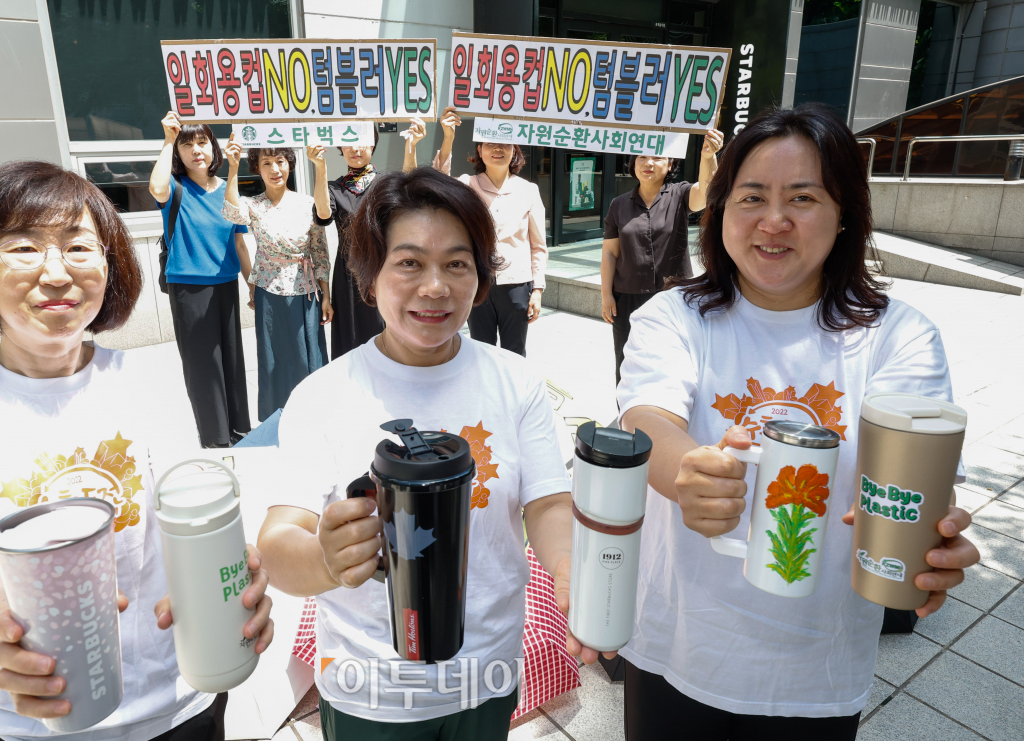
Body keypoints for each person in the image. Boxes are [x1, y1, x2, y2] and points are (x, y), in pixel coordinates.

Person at [615, 104, 980, 740]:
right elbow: (647, 416)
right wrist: (687, 473)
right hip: (676, 648)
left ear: (844, 216)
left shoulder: (899, 336)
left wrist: (926, 528)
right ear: (721, 209)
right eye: (751, 196)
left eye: (803, 197)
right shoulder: (674, 315)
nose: (774, 220)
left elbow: (907, 467)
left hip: (817, 672)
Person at [0, 161, 275, 741]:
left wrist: (229, 583)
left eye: (78, 247)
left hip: (174, 704)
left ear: (109, 264)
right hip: (21, 717)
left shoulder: (149, 378)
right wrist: (8, 628)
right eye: (23, 248)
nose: (55, 273)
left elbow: (184, 521)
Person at [255, 167, 609, 741]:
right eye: (410, 262)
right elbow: (278, 540)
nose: (435, 286)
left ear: (480, 278)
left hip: (487, 674)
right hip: (371, 687)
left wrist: (569, 570)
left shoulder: (515, 382)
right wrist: (325, 559)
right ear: (371, 277)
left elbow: (547, 503)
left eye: (457, 263)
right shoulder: (324, 394)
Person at [403, 107, 547, 356]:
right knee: (480, 350)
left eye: (504, 143)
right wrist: (448, 136)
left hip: (516, 284)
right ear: (479, 150)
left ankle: (513, 395)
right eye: (489, 143)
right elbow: (437, 181)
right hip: (477, 282)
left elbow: (538, 245)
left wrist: (537, 290)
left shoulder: (529, 190)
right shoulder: (467, 186)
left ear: (514, 151)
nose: (497, 149)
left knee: (515, 351)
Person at [148, 112, 253, 447]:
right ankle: (215, 437)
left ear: (213, 147)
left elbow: (239, 240)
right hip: (189, 286)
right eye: (187, 144)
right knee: (203, 364)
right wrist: (167, 139)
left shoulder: (227, 189)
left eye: (202, 142)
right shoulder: (176, 189)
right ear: (178, 153)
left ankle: (238, 428)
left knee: (232, 361)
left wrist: (252, 284)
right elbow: (156, 187)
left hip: (226, 284)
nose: (196, 150)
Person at [599, 130, 723, 385]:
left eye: (657, 157)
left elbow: (708, 191)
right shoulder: (618, 205)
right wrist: (606, 294)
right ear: (633, 163)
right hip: (627, 296)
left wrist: (708, 156)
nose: (648, 163)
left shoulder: (680, 194)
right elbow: (610, 252)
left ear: (670, 165)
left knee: (670, 358)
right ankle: (628, 416)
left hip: (672, 295)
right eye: (642, 157)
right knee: (626, 359)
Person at [222, 136, 333, 421]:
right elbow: (231, 213)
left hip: (305, 291)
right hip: (269, 292)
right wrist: (232, 167)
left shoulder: (308, 203)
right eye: (266, 163)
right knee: (273, 359)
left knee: (306, 355)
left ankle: (313, 413)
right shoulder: (253, 205)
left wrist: (326, 295)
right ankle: (278, 416)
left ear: (290, 164)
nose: (275, 169)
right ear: (257, 168)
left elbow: (319, 251)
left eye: (280, 161)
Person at [313, 130, 386, 359]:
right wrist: (320, 167)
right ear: (341, 148)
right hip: (348, 276)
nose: (355, 149)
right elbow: (323, 216)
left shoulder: (385, 184)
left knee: (385, 334)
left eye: (362, 142)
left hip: (381, 271)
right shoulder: (335, 189)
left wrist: (411, 148)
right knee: (351, 342)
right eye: (348, 143)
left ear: (373, 144)